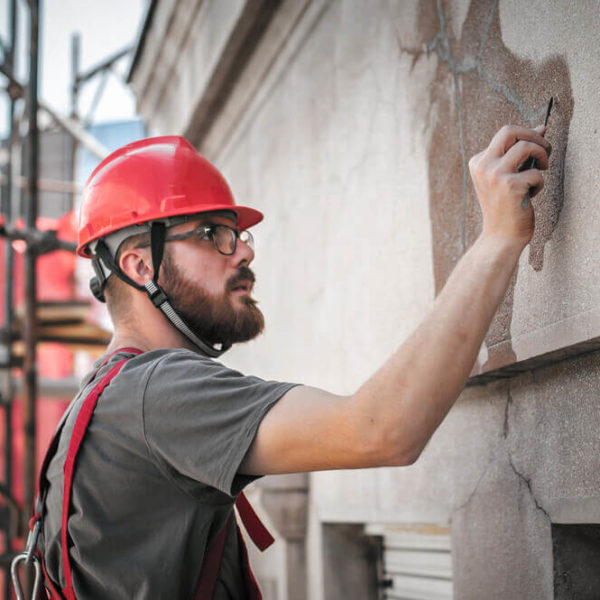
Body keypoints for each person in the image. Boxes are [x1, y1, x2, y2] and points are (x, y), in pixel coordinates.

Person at [36, 127, 550, 599]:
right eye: (213, 234)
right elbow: (382, 430)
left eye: (238, 234)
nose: (242, 253)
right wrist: (498, 238)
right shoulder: (159, 392)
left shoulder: (102, 398)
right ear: (141, 265)